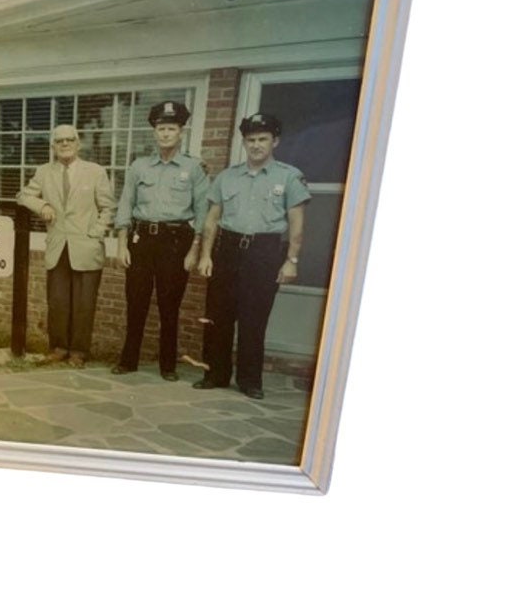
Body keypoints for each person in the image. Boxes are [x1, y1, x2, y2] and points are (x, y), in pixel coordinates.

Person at [194, 112, 310, 400]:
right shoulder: (227, 177)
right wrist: (207, 255)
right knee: (218, 316)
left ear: (275, 141)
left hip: (265, 251)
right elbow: (211, 220)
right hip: (228, 249)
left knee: (254, 318)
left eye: (263, 139)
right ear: (243, 143)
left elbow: (297, 225)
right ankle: (215, 374)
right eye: (251, 140)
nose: (256, 145)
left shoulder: (289, 176)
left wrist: (291, 260)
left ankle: (249, 380)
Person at [111, 100, 210, 381]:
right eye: (161, 128)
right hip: (141, 241)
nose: (166, 134)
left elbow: (202, 212)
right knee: (136, 302)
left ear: (181, 133)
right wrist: (121, 244)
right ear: (154, 132)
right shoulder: (139, 166)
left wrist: (194, 250)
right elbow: (125, 205)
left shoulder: (193, 168)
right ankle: (128, 360)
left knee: (169, 306)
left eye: (172, 129)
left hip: (176, 242)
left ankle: (168, 365)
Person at [18, 124, 115, 368]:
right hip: (58, 246)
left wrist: (96, 233)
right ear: (52, 146)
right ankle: (58, 348)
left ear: (78, 144)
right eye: (59, 141)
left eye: (69, 140)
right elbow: (23, 195)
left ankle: (79, 352)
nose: (64, 144)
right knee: (58, 302)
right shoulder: (43, 172)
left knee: (84, 304)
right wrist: (42, 207)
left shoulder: (95, 172)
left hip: (86, 247)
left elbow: (109, 207)